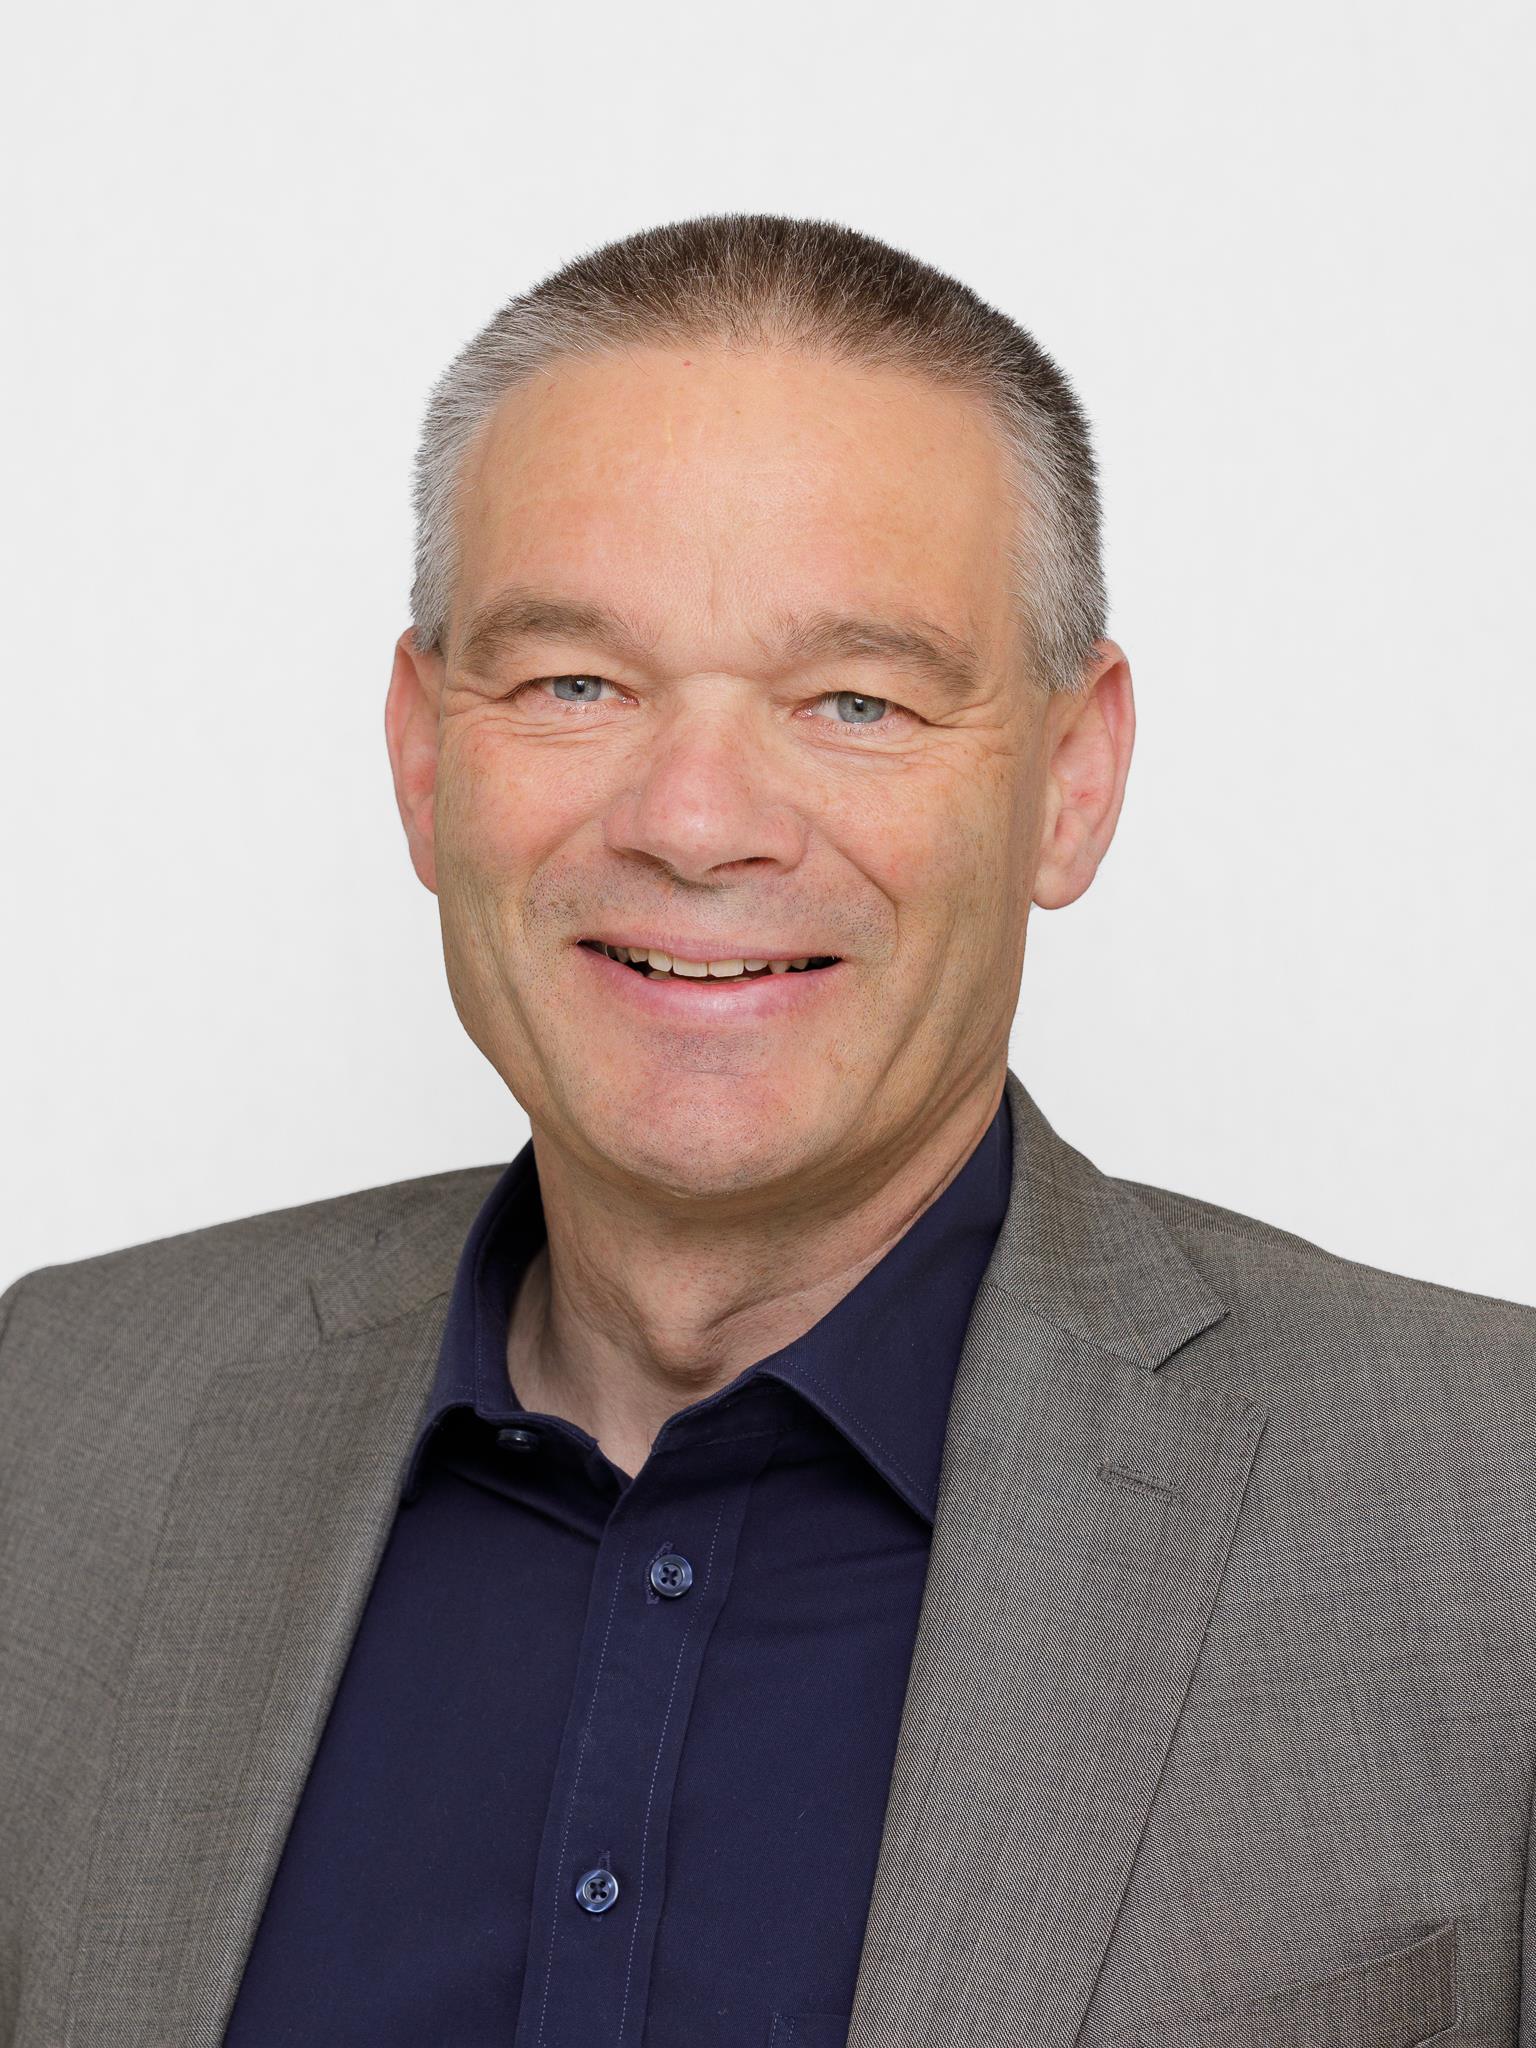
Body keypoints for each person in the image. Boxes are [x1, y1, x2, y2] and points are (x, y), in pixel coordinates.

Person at [1, 213, 1532, 2048]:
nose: (696, 820)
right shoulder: (54, 1427)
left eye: (855, 701)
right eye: (575, 683)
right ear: (424, 757)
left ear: (1072, 780)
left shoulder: (1490, 1504)